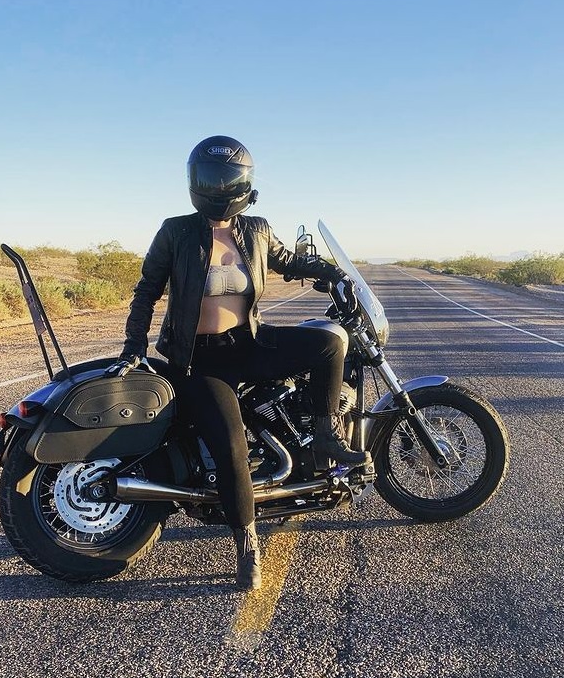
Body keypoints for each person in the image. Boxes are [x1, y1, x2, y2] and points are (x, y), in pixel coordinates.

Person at [108, 135, 370, 590]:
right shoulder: (176, 231)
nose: (220, 186)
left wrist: (334, 274)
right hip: (198, 359)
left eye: (227, 178)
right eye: (212, 178)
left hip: (248, 342)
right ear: (197, 182)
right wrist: (134, 347)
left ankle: (324, 436)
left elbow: (290, 261)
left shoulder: (257, 229)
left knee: (330, 342)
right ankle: (247, 542)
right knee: (230, 443)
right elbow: (146, 291)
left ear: (243, 182)